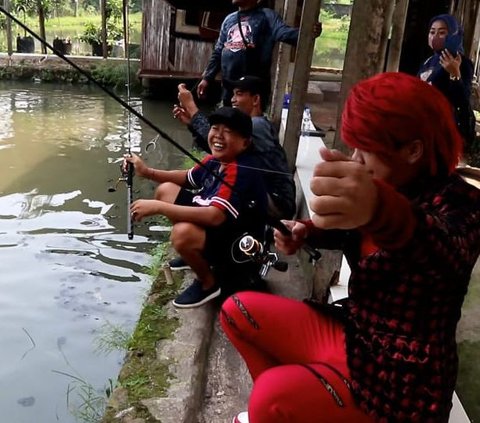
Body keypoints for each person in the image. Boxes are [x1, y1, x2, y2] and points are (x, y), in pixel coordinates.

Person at [220, 72, 480, 423]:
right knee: (237, 311)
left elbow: (440, 250)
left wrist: (378, 208)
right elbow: (348, 229)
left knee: (272, 394)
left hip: (401, 386)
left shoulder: (463, 204)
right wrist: (305, 231)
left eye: (366, 147)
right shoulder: (383, 183)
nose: (355, 159)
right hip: (355, 336)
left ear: (413, 150)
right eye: (353, 145)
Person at [126, 107, 268, 308]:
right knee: (166, 190)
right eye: (215, 128)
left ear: (245, 142)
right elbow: (187, 178)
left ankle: (208, 283)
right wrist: (147, 171)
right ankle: (198, 255)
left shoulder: (240, 169)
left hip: (240, 248)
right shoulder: (215, 159)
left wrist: (158, 207)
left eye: (227, 131)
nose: (218, 135)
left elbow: (214, 217)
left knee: (182, 234)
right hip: (223, 227)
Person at [174, 76, 296, 220]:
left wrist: (190, 106)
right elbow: (219, 148)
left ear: (256, 100)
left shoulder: (257, 125)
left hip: (277, 203)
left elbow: (215, 138)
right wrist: (192, 123)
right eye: (233, 94)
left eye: (239, 94)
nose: (232, 99)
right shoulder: (252, 126)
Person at [196, 0, 322, 106]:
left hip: (253, 89)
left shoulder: (266, 15)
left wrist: (307, 32)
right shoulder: (229, 19)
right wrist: (207, 78)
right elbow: (218, 51)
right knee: (229, 122)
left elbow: (283, 33)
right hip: (229, 87)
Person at [417, 14, 476, 147]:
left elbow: (462, 100)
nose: (434, 36)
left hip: (444, 131)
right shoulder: (428, 62)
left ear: (454, 35)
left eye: (442, 32)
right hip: (423, 125)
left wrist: (454, 74)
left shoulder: (463, 63)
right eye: (432, 32)